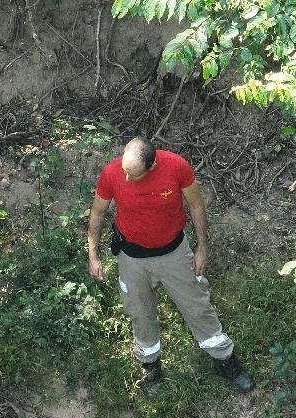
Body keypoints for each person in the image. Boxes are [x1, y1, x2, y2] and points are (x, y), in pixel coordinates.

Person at [86, 136, 255, 396]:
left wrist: (201, 248)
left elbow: (196, 205)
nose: (127, 178)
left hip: (174, 253)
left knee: (197, 307)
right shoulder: (112, 172)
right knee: (140, 314)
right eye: (125, 171)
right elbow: (97, 213)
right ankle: (150, 367)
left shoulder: (176, 167)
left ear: (152, 166)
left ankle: (224, 360)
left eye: (134, 175)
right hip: (132, 258)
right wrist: (93, 256)